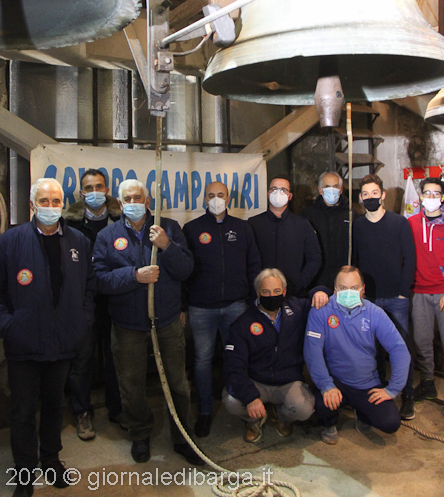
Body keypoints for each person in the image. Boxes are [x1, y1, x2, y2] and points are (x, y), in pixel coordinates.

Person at [93, 179, 203, 466]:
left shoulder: (169, 228)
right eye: (127, 198)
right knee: (131, 385)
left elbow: (186, 269)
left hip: (166, 320)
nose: (133, 203)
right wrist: (133, 276)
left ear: (148, 201)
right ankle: (140, 433)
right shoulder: (108, 236)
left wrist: (167, 246)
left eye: (137, 197)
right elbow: (99, 279)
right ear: (119, 203)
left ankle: (183, 437)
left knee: (177, 382)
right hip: (127, 324)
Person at [0, 178, 95, 497]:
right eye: (44, 201)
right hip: (23, 344)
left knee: (55, 406)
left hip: (63, 342)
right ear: (32, 205)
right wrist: (10, 326)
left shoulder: (79, 241)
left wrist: (82, 320)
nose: (51, 207)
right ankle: (25, 473)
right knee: (23, 411)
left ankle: (51, 460)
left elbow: (89, 286)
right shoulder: (10, 242)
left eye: (56, 202)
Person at [182, 181, 262, 438]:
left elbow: (254, 265)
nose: (215, 199)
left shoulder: (242, 228)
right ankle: (205, 411)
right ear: (203, 199)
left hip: (236, 306)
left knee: (238, 357)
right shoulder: (192, 229)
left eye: (220, 195)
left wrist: (254, 300)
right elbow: (183, 271)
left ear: (228, 199)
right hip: (200, 307)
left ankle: (242, 407)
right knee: (202, 361)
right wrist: (183, 305)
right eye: (210, 195)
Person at [304, 265, 410, 445]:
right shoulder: (321, 311)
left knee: (390, 422)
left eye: (354, 288)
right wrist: (326, 385)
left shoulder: (375, 313)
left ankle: (362, 414)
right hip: (335, 380)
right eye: (343, 288)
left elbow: (399, 349)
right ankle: (328, 424)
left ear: (363, 289)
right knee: (319, 405)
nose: (348, 293)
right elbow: (312, 351)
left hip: (366, 383)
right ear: (335, 290)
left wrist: (392, 389)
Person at [223, 268, 327, 442]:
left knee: (304, 409)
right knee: (231, 401)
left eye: (276, 291)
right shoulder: (243, 323)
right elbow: (233, 365)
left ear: (284, 292)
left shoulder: (296, 309)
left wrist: (320, 292)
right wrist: (250, 397)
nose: (272, 296)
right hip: (257, 382)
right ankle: (254, 420)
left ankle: (283, 418)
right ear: (258, 293)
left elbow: (315, 297)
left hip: (288, 381)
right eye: (266, 292)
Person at [65, 168, 123, 441]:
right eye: (89, 188)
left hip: (115, 300)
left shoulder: (120, 220)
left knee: (115, 358)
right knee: (82, 361)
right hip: (83, 303)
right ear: (81, 193)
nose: (95, 192)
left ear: (107, 189)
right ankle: (82, 412)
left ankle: (117, 409)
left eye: (99, 186)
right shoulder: (69, 224)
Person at [353, 173, 416, 420]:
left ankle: (407, 394)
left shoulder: (399, 223)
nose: (370, 197)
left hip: (394, 297)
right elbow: (355, 260)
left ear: (383, 195)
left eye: (374, 193)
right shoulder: (358, 225)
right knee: (373, 348)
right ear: (360, 198)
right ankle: (378, 389)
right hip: (369, 299)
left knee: (401, 347)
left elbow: (409, 258)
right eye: (365, 194)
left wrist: (403, 292)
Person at [248, 175, 321, 297]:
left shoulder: (302, 224)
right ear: (268, 193)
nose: (278, 193)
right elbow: (246, 259)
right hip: (261, 295)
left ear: (290, 196)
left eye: (283, 190)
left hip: (293, 294)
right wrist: (256, 285)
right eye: (274, 189)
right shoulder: (253, 224)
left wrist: (299, 283)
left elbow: (314, 258)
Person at [408, 177, 444, 403]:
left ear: (442, 197)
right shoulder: (411, 223)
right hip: (420, 292)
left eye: (436, 193)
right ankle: (428, 382)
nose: (431, 197)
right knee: (421, 341)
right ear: (421, 196)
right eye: (427, 193)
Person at [302, 171, 359, 287]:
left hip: (344, 280)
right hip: (317, 280)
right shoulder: (309, 215)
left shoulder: (351, 214)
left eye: (335, 186)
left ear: (341, 190)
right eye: (327, 186)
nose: (331, 190)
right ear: (320, 190)